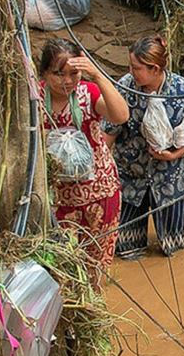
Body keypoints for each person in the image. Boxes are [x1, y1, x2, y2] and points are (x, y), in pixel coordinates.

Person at [102, 36, 184, 259]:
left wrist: (176, 154)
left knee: (175, 251)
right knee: (126, 250)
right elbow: (109, 131)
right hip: (131, 177)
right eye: (131, 67)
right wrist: (100, 170)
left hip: (170, 179)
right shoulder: (124, 88)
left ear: (154, 68)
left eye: (137, 68)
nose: (132, 72)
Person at [37, 39, 129, 285]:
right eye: (59, 74)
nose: (67, 81)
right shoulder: (34, 98)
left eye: (73, 73)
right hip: (57, 199)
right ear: (45, 72)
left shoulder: (88, 93)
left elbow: (121, 115)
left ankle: (93, 309)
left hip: (100, 192)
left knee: (96, 266)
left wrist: (97, 76)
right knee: (62, 266)